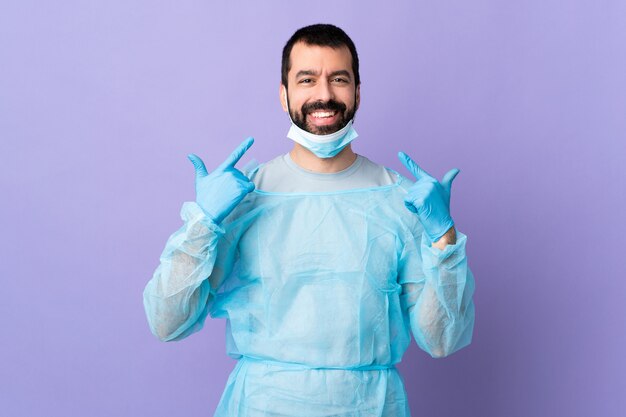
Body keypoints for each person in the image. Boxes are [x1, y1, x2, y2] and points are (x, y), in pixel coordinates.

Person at [143, 23, 475, 417]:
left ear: (357, 93)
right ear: (284, 95)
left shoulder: (402, 200)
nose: (324, 94)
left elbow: (442, 340)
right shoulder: (243, 198)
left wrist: (443, 238)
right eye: (307, 79)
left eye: (339, 79)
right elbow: (167, 322)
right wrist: (203, 223)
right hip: (263, 405)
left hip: (369, 406)